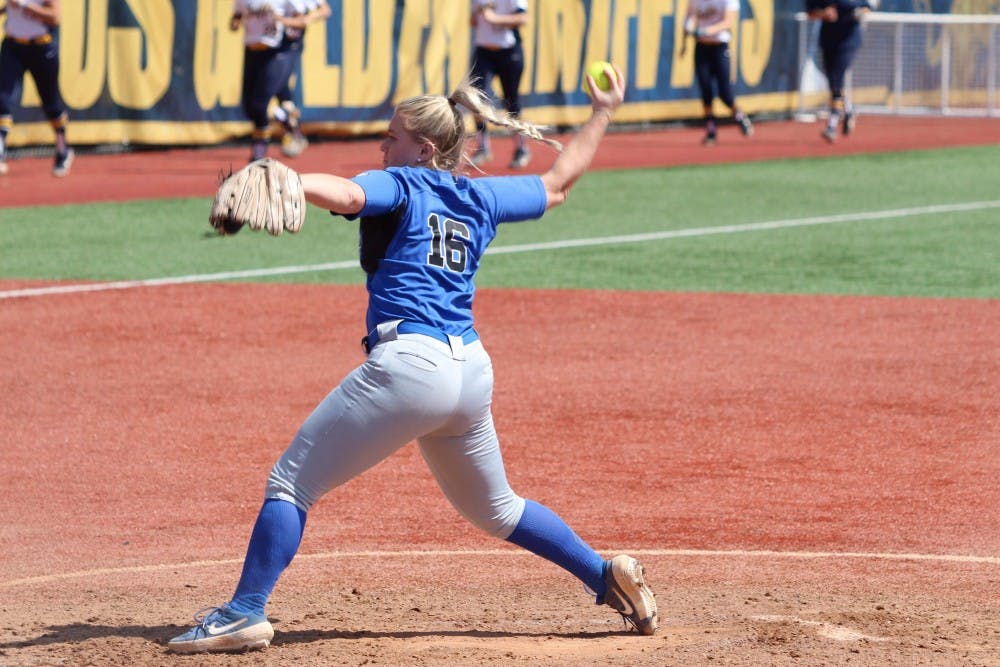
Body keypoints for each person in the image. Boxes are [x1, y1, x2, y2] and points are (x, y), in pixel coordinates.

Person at [167, 63, 658, 654]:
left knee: (291, 482)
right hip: (470, 370)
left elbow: (349, 193)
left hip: (411, 366)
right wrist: (604, 112)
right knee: (498, 509)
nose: (382, 145)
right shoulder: (480, 195)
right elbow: (558, 183)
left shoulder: (402, 184)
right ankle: (604, 576)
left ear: (423, 149)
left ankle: (244, 611)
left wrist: (290, 178)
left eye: (392, 136)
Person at [0, 0, 73, 177]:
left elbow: (54, 18)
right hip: (13, 46)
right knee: (2, 96)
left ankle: (63, 148)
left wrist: (24, 5)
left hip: (41, 47)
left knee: (51, 103)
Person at [231, 0, 305, 163]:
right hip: (252, 52)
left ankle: (260, 148)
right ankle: (287, 119)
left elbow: (302, 20)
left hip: (277, 52)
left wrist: (283, 21)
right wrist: (237, 23)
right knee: (249, 107)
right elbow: (235, 18)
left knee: (260, 103)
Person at [680, 0, 753, 146]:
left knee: (724, 93)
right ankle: (711, 130)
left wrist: (707, 31)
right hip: (701, 48)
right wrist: (684, 40)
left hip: (720, 48)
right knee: (706, 90)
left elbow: (728, 21)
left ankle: (739, 116)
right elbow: (688, 17)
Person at [469, 0, 532, 169]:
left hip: (509, 52)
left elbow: (522, 18)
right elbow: (473, 21)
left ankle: (521, 148)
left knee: (512, 102)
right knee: (476, 101)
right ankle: (482, 148)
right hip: (484, 52)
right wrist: (479, 15)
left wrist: (494, 18)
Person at [807, 0, 876, 143]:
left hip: (848, 42)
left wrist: (859, 13)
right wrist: (823, 13)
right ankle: (849, 109)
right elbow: (810, 13)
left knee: (837, 79)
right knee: (833, 82)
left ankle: (831, 125)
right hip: (828, 40)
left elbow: (867, 7)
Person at [274, 0, 330, 158]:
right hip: (270, 48)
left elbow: (325, 10)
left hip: (291, 46)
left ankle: (294, 134)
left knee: (282, 87)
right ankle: (294, 132)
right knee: (279, 93)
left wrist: (309, 18)